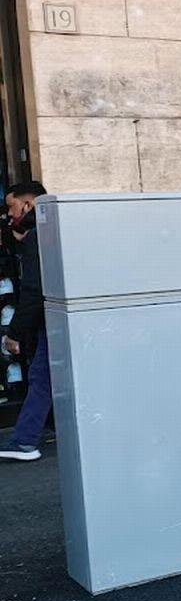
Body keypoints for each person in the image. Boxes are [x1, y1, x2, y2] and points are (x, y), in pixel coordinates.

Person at [0, 180, 50, 461]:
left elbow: (33, 290)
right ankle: (25, 439)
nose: (9, 214)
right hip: (66, 316)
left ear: (28, 204)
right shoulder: (51, 232)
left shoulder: (36, 239)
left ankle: (25, 441)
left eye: (12, 207)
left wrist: (14, 333)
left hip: (51, 319)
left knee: (41, 376)